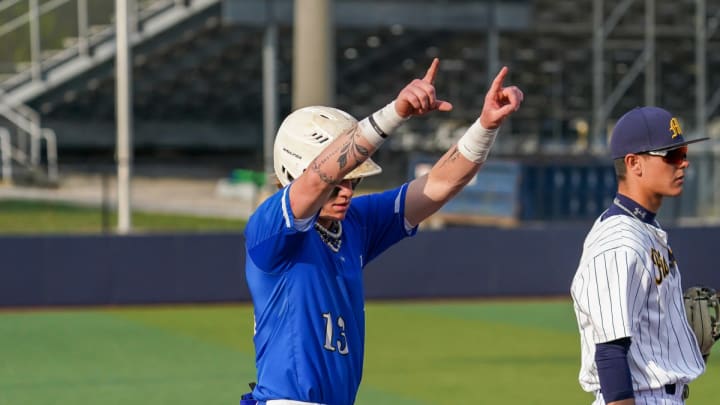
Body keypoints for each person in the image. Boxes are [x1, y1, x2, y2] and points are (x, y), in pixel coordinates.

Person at [242, 58, 523, 405]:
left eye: (354, 182)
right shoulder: (269, 230)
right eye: (338, 184)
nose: (347, 191)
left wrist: (485, 126)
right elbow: (317, 177)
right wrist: (396, 112)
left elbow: (438, 184)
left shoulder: (353, 223)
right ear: (292, 171)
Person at [570, 106, 709, 405]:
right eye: (672, 155)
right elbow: (610, 351)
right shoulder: (619, 241)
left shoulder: (645, 228)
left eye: (684, 153)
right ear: (634, 163)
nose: (683, 163)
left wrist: (680, 341)